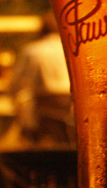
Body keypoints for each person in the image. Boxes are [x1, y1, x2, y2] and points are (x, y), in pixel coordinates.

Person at [9, 12, 71, 143]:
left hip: (44, 104)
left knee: (25, 105)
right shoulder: (72, 47)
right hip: (71, 102)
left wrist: (11, 94)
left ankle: (31, 141)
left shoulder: (33, 50)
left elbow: (18, 81)